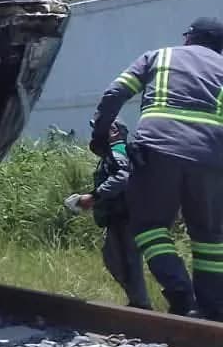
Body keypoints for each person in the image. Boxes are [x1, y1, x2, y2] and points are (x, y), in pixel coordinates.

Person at [90, 17, 223, 319]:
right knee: (210, 238)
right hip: (212, 159)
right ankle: (214, 310)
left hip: (158, 151)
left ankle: (182, 296)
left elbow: (114, 94)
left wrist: (100, 135)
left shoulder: (159, 57)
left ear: (189, 38)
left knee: (149, 226)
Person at [66, 120, 151, 310]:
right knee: (117, 259)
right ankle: (138, 302)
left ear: (114, 131)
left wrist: (94, 196)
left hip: (125, 216)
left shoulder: (117, 151)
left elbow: (122, 177)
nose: (96, 133)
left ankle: (141, 305)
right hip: (120, 216)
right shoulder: (114, 152)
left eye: (100, 129)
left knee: (127, 261)